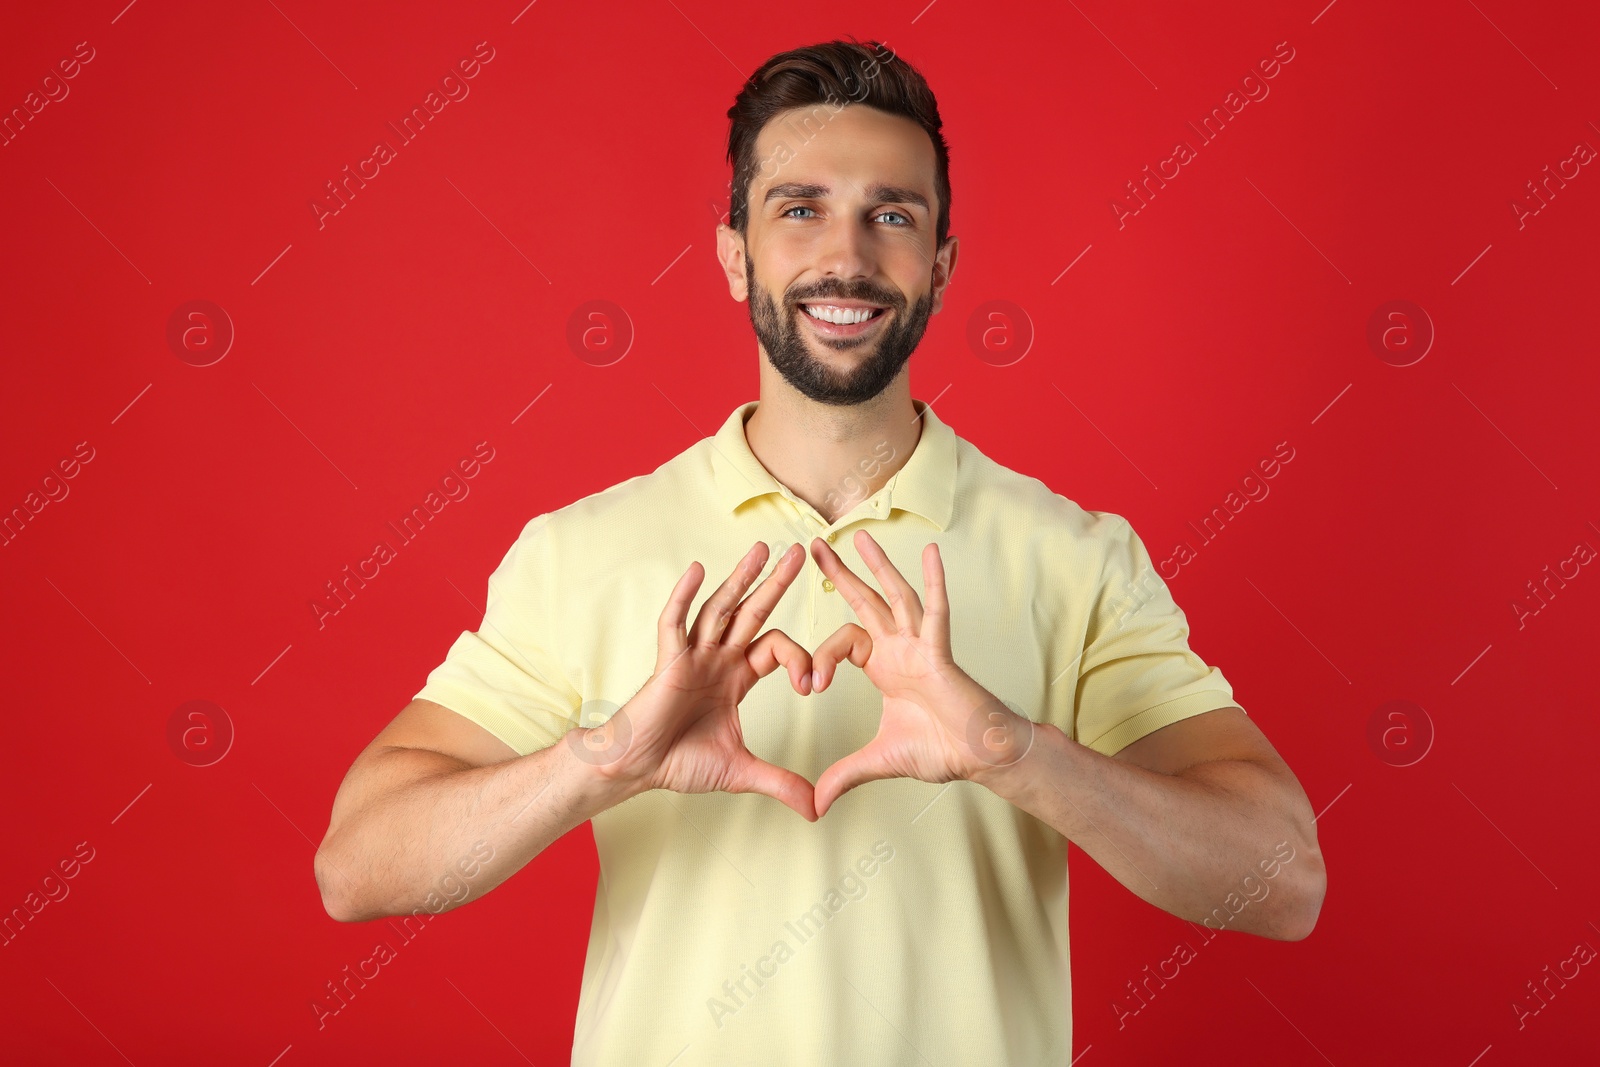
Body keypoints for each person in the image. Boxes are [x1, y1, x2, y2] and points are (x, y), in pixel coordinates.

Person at [314, 37, 1326, 1064]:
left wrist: (1012, 753)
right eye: (800, 209)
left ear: (940, 263)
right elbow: (357, 868)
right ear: (734, 254)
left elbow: (1281, 882)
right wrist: (605, 759)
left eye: (892, 215)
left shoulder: (1078, 556)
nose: (846, 256)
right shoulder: (583, 549)